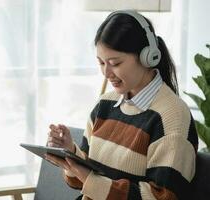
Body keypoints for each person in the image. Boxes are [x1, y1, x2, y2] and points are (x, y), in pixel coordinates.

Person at [46, 10, 198, 200]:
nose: (106, 73)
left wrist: (88, 178)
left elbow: (162, 196)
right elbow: (83, 182)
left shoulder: (171, 117)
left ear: (148, 57)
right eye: (101, 63)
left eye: (115, 63)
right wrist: (71, 153)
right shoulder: (105, 104)